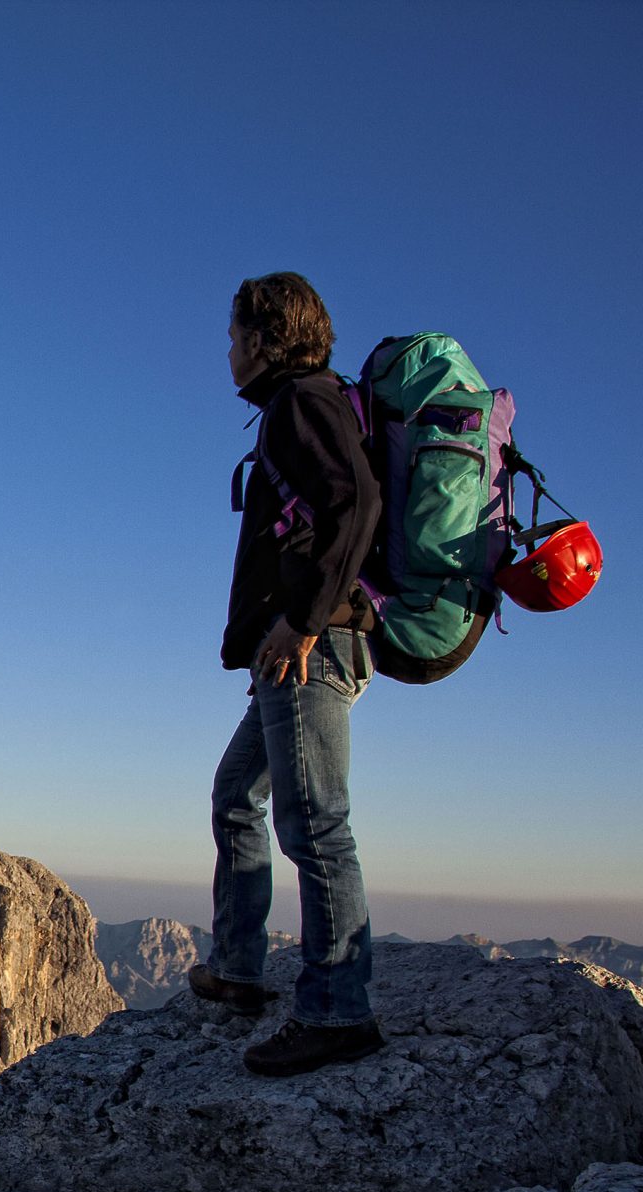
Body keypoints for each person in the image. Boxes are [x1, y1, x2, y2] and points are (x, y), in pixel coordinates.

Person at [189, 271, 386, 1075]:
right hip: (291, 651)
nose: (228, 351)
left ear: (267, 339)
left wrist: (302, 622)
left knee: (313, 824)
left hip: (316, 647)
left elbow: (357, 504)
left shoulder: (306, 400)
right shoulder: (296, 406)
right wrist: (277, 631)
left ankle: (338, 1010)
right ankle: (238, 970)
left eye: (236, 336)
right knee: (238, 793)